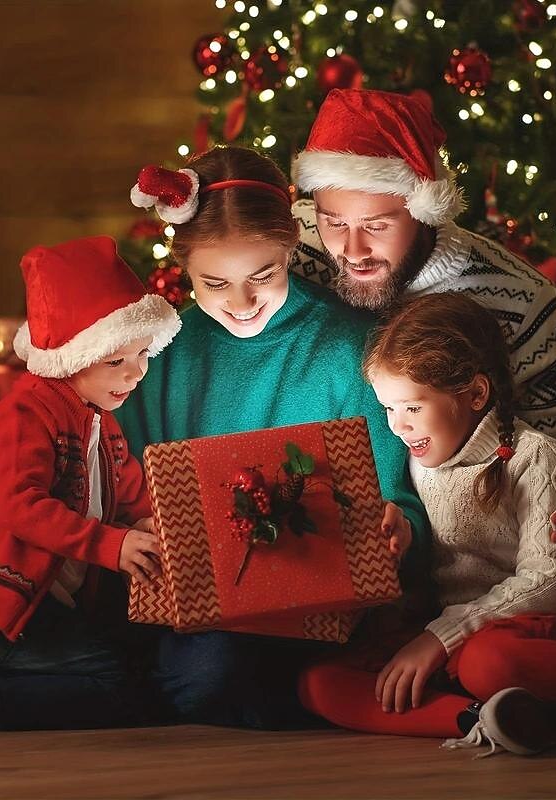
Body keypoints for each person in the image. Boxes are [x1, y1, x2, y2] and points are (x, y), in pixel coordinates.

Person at [298, 292, 556, 752]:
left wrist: (441, 638)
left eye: (413, 408)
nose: (397, 426)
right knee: (319, 680)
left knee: (487, 662)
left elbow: (549, 585)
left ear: (476, 394)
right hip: (464, 633)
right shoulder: (419, 458)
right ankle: (485, 720)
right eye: (388, 409)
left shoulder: (534, 457)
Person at [118, 146, 423, 728]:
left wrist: (400, 527)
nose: (241, 304)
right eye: (214, 283)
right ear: (182, 266)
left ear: (292, 248)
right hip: (199, 609)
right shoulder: (159, 353)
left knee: (229, 673)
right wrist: (139, 528)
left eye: (264, 274)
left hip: (324, 605)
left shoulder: (351, 348)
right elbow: (125, 485)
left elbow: (398, 492)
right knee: (210, 667)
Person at [290, 87, 556, 592]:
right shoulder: (289, 253)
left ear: (424, 211)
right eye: (333, 222)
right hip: (326, 541)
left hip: (472, 567)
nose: (352, 250)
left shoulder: (520, 299)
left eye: (378, 226)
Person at [0, 236, 181, 730]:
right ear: (69, 355)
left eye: (144, 354)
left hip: (43, 610)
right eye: (115, 360)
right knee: (116, 683)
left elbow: (129, 498)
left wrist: (154, 522)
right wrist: (112, 544)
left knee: (135, 670)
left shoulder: (102, 421)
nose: (136, 373)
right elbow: (22, 507)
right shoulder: (23, 416)